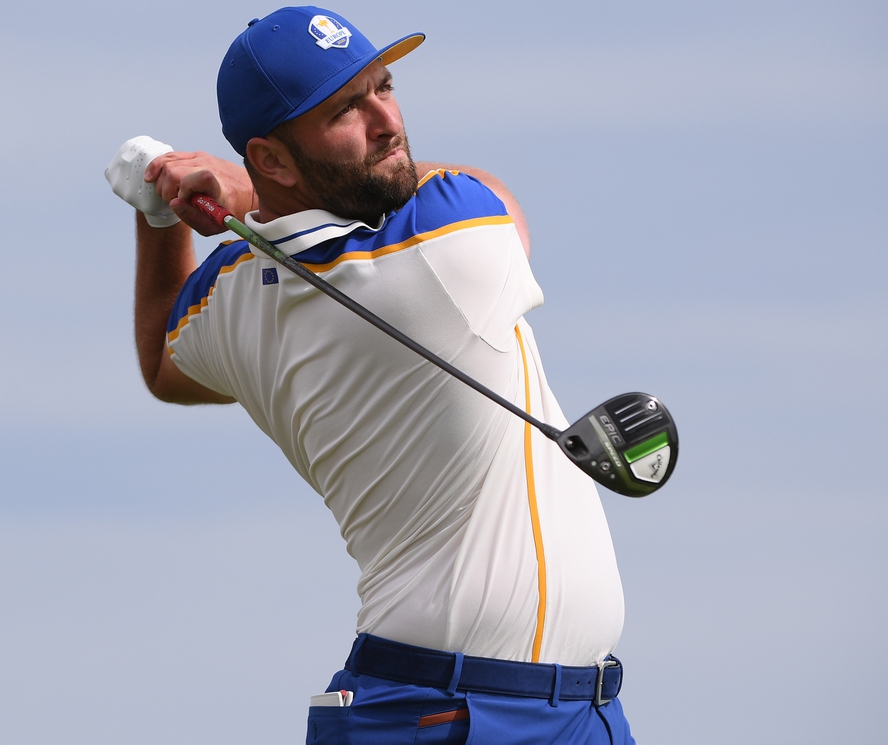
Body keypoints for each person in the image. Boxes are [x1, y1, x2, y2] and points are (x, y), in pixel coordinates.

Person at [105, 6, 635, 744]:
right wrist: (245, 196)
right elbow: (489, 193)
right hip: (448, 714)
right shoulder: (445, 247)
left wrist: (156, 215)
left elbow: (164, 363)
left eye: (383, 87)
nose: (385, 120)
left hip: (567, 709)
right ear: (275, 159)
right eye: (345, 110)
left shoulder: (228, 296)